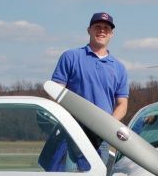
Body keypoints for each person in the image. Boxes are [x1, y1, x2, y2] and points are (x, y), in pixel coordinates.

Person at [51, 12, 129, 164]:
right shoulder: (71, 57)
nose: (101, 31)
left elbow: (122, 104)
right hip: (72, 133)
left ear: (111, 34)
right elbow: (55, 93)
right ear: (89, 30)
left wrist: (108, 126)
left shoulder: (119, 68)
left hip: (101, 137)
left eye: (106, 28)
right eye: (97, 27)